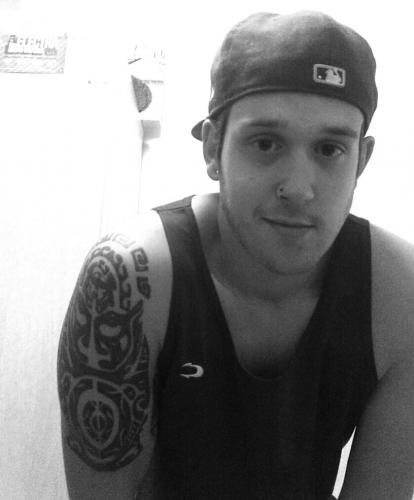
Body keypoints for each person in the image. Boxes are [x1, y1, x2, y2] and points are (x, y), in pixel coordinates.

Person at [57, 11, 414, 500]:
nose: (298, 188)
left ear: (361, 162)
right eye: (265, 143)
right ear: (213, 148)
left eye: (330, 149)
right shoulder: (132, 280)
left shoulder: (401, 295)